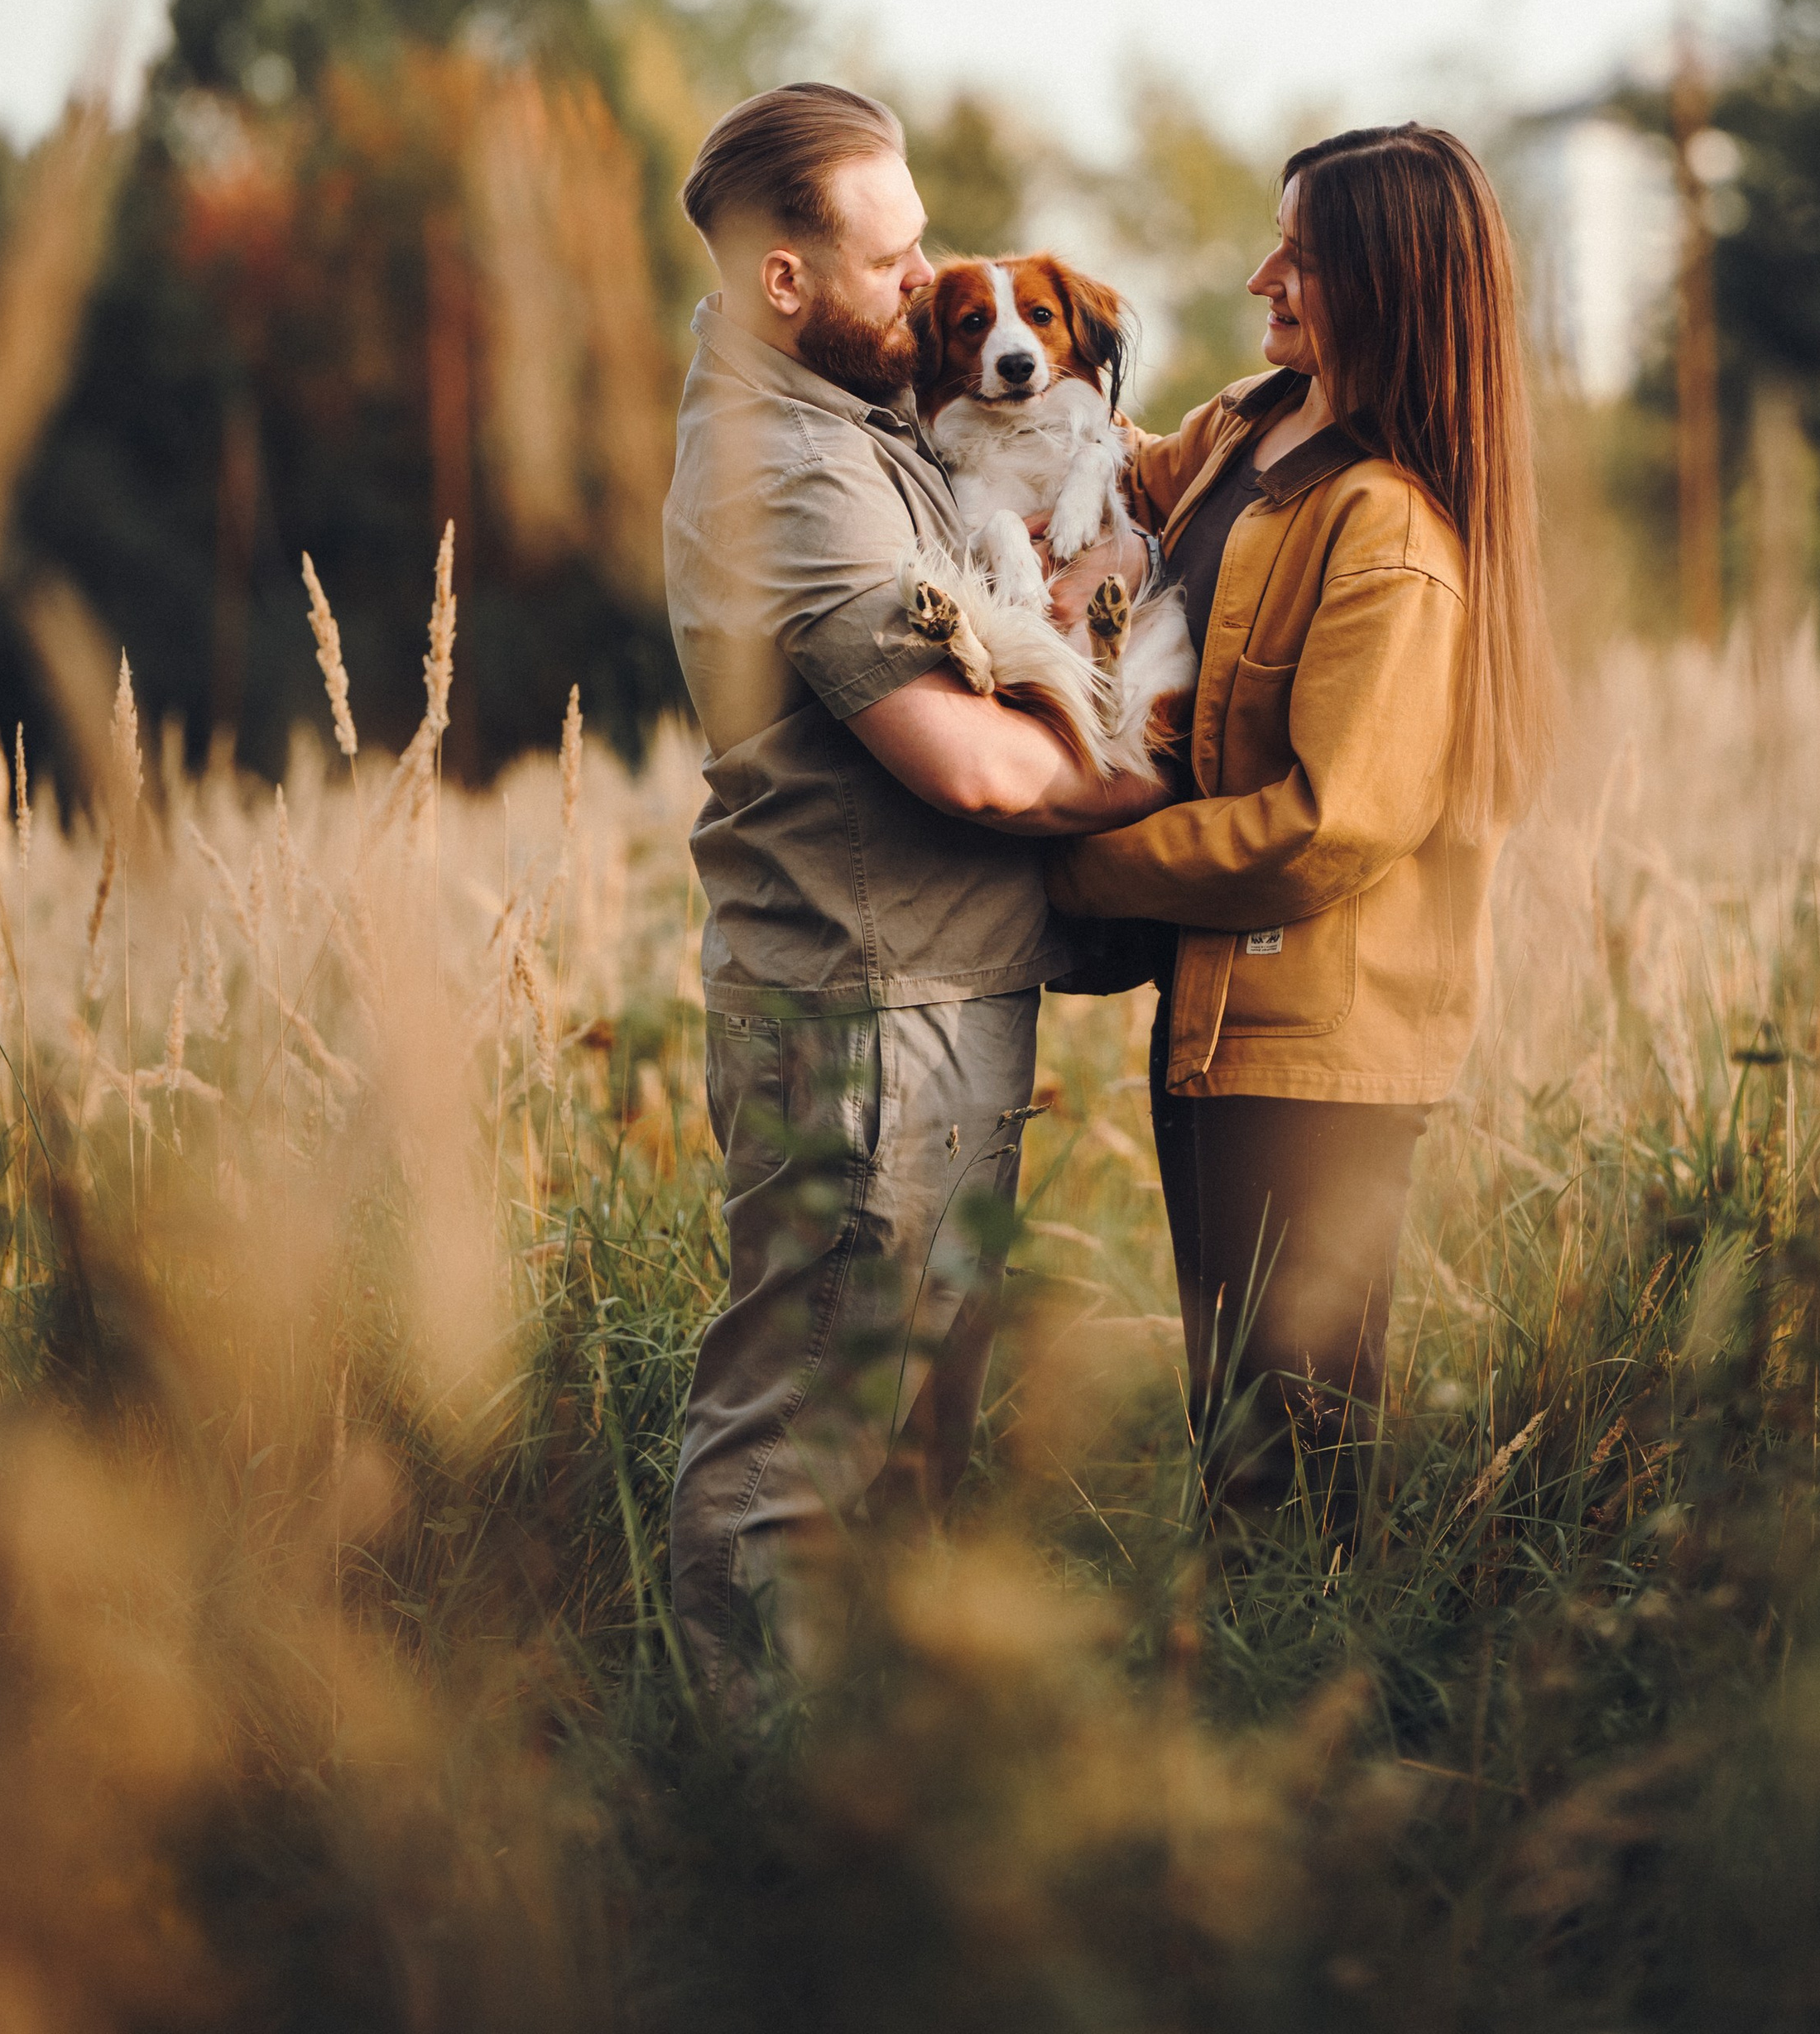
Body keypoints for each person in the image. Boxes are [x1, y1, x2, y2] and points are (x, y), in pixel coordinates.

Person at [660, 82, 1160, 1713]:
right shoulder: (789, 466)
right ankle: (754, 1810)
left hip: (948, 999)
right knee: (802, 1433)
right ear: (784, 278)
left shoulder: (863, 407)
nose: (925, 285)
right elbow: (972, 769)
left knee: (918, 1434)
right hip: (864, 1020)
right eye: (891, 261)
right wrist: (1184, 783)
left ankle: (889, 1802)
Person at [1045, 122, 1555, 1532]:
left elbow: (1328, 825)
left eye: (1306, 257)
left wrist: (1075, 874)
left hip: (1317, 1050)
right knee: (1238, 1411)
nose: (1266, 272)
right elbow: (1122, 482)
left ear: (1391, 284)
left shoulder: (1387, 528)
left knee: (1293, 1446)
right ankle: (1251, 1697)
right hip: (1219, 1010)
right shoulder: (1260, 422)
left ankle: (1323, 1715)